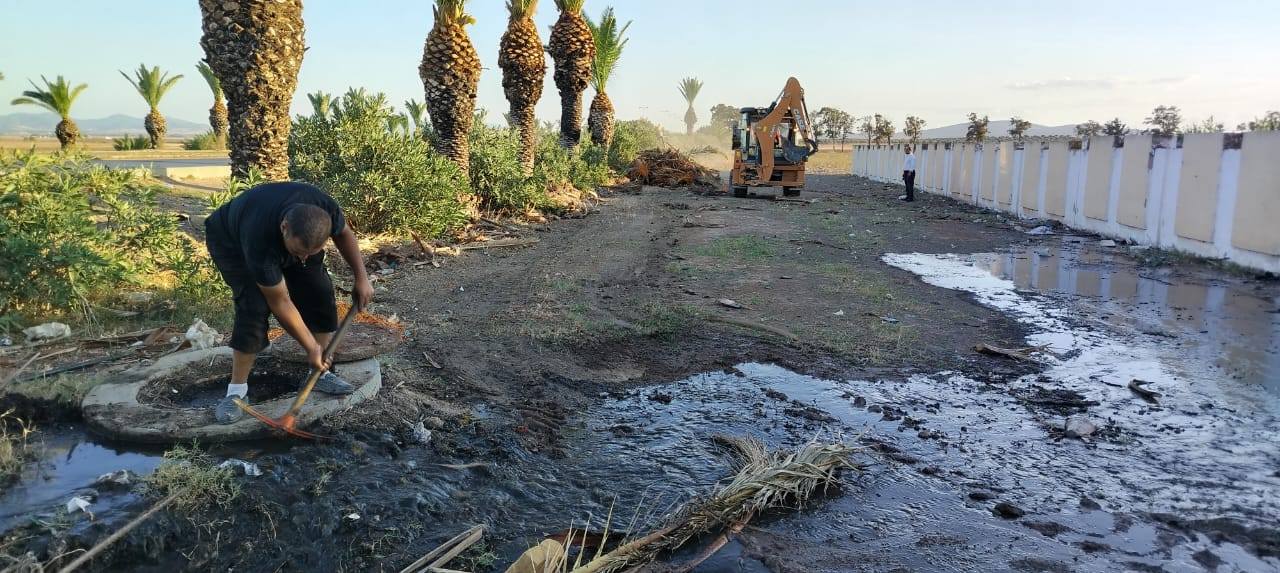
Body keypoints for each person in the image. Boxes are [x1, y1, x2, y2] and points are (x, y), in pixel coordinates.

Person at [204, 181, 374, 424]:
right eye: (298, 253)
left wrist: (362, 278)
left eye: (310, 253)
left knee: (319, 293)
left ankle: (318, 374)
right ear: (284, 228)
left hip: (291, 235)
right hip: (231, 242)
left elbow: (344, 234)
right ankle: (236, 392)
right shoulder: (259, 239)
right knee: (253, 306)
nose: (302, 259)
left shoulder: (325, 209)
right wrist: (311, 348)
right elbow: (280, 301)